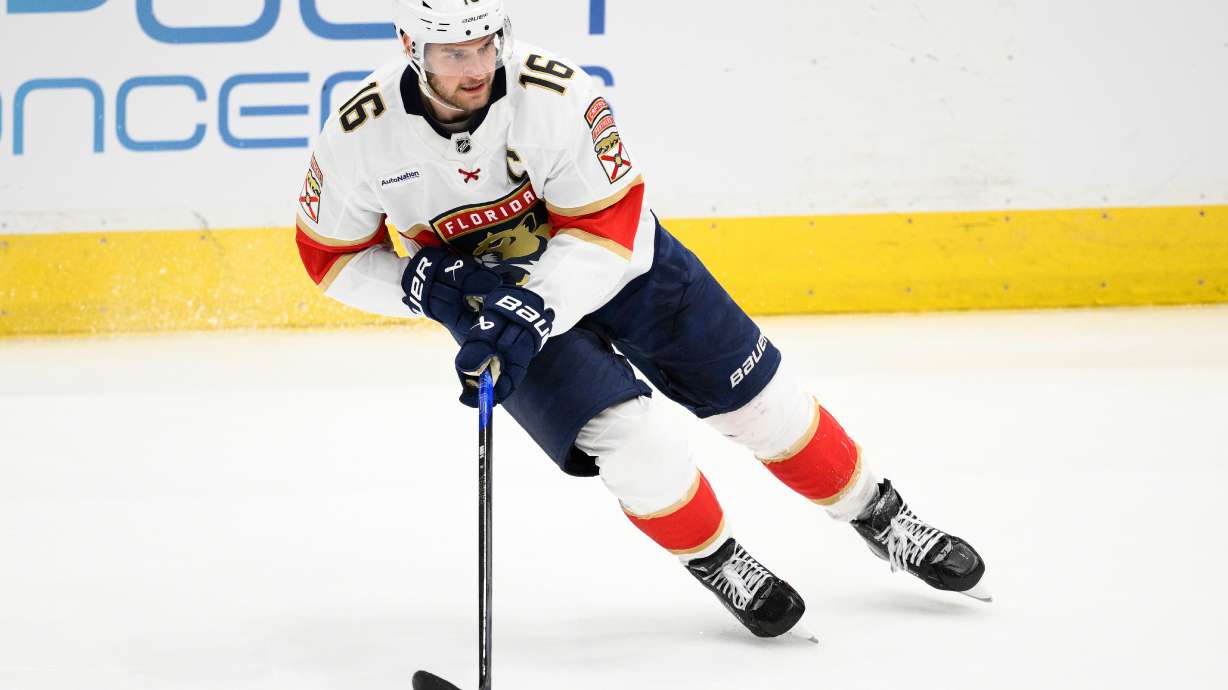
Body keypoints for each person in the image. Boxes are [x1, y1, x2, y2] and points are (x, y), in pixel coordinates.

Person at [294, 0, 990, 639]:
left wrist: (536, 306)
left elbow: (607, 227)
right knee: (633, 443)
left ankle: (883, 516)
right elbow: (329, 258)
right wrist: (420, 285)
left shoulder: (557, 96)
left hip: (627, 272)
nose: (476, 67)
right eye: (454, 53)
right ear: (411, 46)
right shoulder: (359, 134)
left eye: (486, 43)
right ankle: (717, 559)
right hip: (499, 319)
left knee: (765, 410)